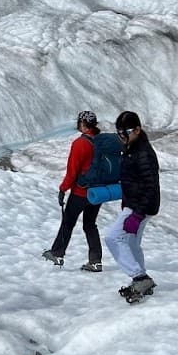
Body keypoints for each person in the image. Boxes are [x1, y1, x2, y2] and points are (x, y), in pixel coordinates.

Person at [104, 111, 161, 302]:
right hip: (136, 204)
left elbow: (150, 185)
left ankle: (139, 277)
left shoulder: (142, 152)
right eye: (119, 132)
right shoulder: (132, 147)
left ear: (137, 129)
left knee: (113, 237)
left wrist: (137, 214)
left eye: (125, 132)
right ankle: (142, 280)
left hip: (139, 206)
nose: (122, 136)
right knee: (131, 242)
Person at [44, 110, 105, 271]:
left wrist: (63, 189)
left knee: (68, 222)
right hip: (98, 192)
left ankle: (57, 253)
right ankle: (96, 261)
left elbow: (73, 171)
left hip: (80, 192)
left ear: (83, 125)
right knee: (90, 225)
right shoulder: (101, 141)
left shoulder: (80, 144)